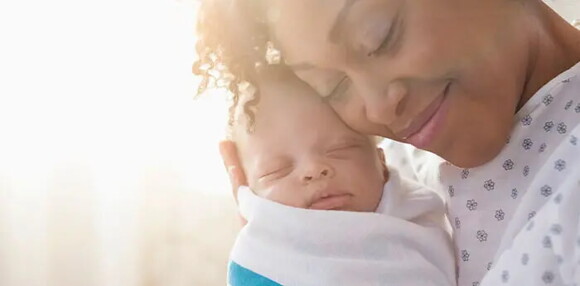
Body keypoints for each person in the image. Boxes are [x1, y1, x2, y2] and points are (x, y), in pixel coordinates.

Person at [193, 0, 580, 284]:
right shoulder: (397, 164)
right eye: (333, 87)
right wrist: (292, 237)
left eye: (380, 37)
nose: (378, 110)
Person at [226, 66, 455, 285]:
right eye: (277, 169)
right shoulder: (261, 267)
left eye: (340, 150)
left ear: (382, 163)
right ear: (249, 194)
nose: (313, 170)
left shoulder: (423, 223)